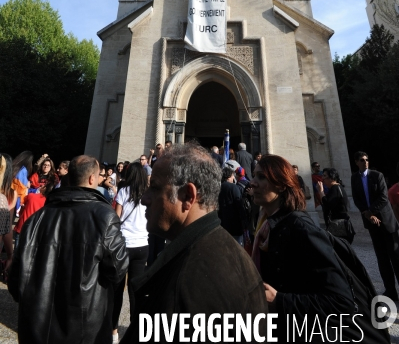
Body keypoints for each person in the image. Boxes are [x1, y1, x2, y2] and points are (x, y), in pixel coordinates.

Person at [120, 144, 268, 343]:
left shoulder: (191, 280)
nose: (144, 199)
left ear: (188, 196)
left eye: (154, 187)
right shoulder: (220, 249)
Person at [8, 155, 128, 344]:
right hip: (85, 327)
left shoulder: (35, 219)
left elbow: (15, 280)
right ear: (91, 179)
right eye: (98, 177)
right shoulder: (104, 216)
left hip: (36, 327)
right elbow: (117, 269)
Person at [250, 154, 365, 342]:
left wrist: (280, 300)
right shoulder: (266, 225)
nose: (252, 182)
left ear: (280, 184)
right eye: (254, 175)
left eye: (261, 177)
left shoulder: (300, 227)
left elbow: (342, 303)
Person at [351, 150, 399, 300]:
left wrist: (371, 212)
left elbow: (383, 198)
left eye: (366, 159)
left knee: (396, 257)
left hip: (386, 222)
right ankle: (391, 291)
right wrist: (368, 214)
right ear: (356, 162)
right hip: (372, 223)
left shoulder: (377, 176)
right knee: (382, 258)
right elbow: (357, 199)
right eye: (361, 160)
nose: (365, 162)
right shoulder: (354, 178)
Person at [112, 162, 149, 343]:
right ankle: (136, 330)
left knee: (118, 289)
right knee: (136, 290)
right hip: (142, 245)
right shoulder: (148, 194)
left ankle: (113, 331)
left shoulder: (123, 192)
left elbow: (116, 218)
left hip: (124, 244)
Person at [14, 180, 55, 247]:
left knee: (17, 245)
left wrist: (26, 188)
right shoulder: (48, 203)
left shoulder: (31, 196)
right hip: (35, 228)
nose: (41, 186)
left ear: (44, 189)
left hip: (22, 225)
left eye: (43, 186)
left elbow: (22, 201)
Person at [218, 167, 245, 245]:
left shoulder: (218, 187)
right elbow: (239, 204)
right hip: (235, 225)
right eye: (233, 175)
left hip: (223, 224)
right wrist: (244, 221)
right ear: (229, 176)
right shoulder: (233, 187)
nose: (234, 177)